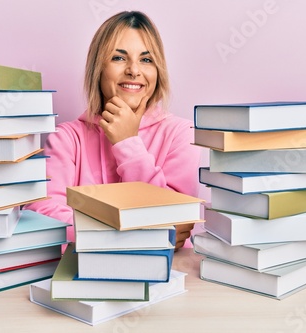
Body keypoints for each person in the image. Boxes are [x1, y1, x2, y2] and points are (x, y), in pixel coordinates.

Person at [24, 10, 201, 250]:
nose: (134, 70)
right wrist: (129, 236)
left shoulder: (181, 134)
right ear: (99, 68)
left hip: (169, 275)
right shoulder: (66, 138)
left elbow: (175, 221)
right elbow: (43, 215)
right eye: (119, 58)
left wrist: (128, 143)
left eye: (146, 60)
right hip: (84, 276)